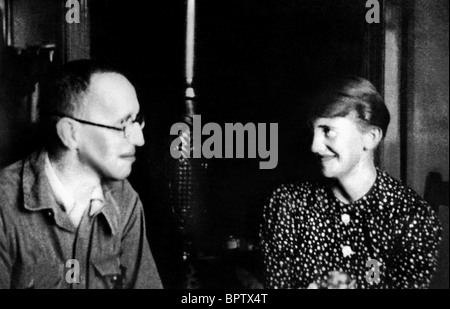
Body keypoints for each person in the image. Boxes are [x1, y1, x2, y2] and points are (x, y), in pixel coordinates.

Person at [260, 75, 442, 289]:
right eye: (313, 130)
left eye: (329, 131)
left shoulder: (411, 218)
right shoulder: (286, 205)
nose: (314, 146)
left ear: (371, 137)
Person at [0, 59, 162, 289]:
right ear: (70, 134)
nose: (139, 139)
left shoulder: (125, 199)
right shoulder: (5, 207)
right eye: (122, 124)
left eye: (138, 121)